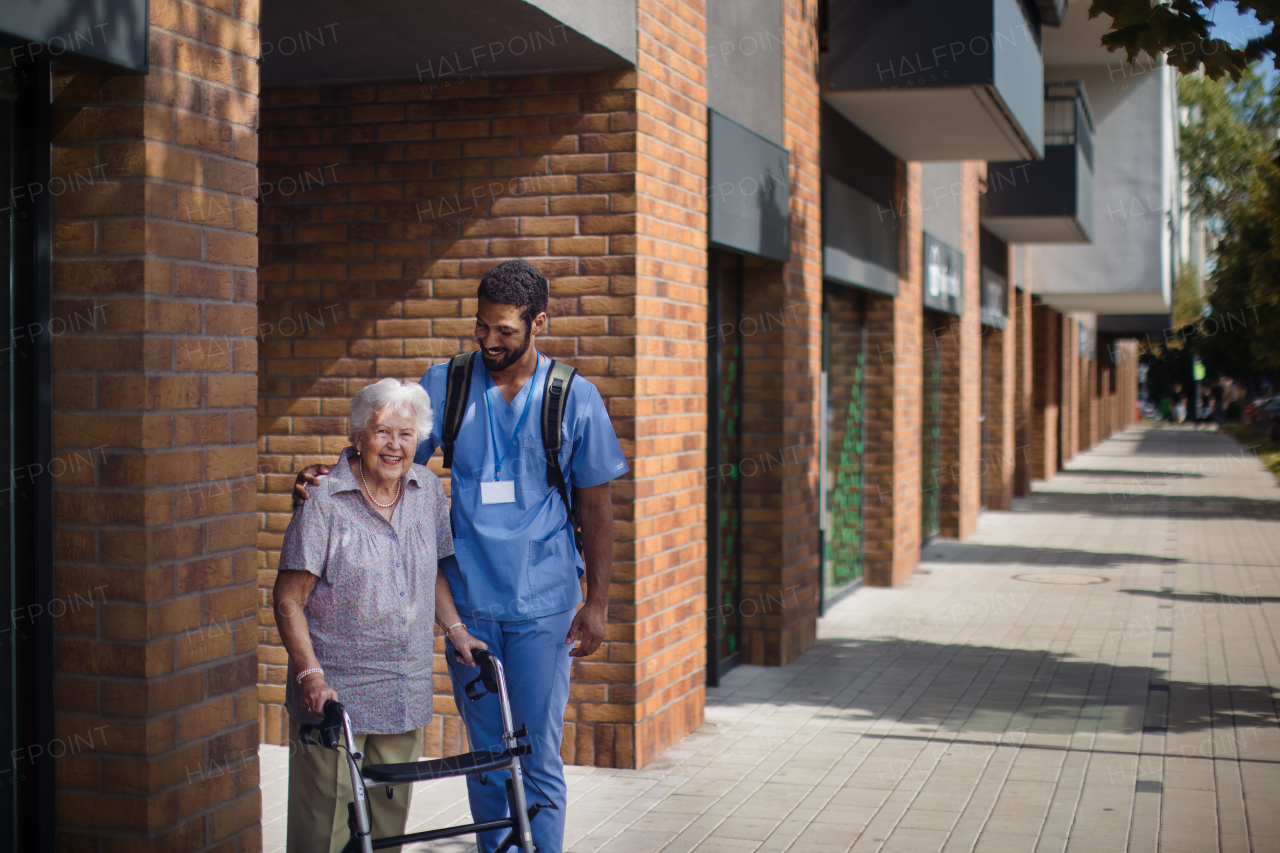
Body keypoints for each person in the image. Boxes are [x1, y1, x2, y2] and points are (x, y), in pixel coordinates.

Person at [294, 259, 628, 853]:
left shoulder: (572, 397)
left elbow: (598, 507)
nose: (489, 341)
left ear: (538, 322)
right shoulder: (447, 382)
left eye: (504, 331)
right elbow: (389, 459)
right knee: (486, 754)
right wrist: (329, 475)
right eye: (481, 328)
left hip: (542, 602)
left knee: (533, 748)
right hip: (467, 605)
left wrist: (596, 603)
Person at [277, 378, 486, 853]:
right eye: (382, 432)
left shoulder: (427, 489)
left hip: (402, 690)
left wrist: (457, 632)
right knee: (321, 834)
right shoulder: (324, 500)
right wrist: (310, 676)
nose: (394, 445)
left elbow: (430, 570)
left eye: (406, 434)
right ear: (358, 436)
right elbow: (289, 599)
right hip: (333, 698)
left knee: (385, 835)